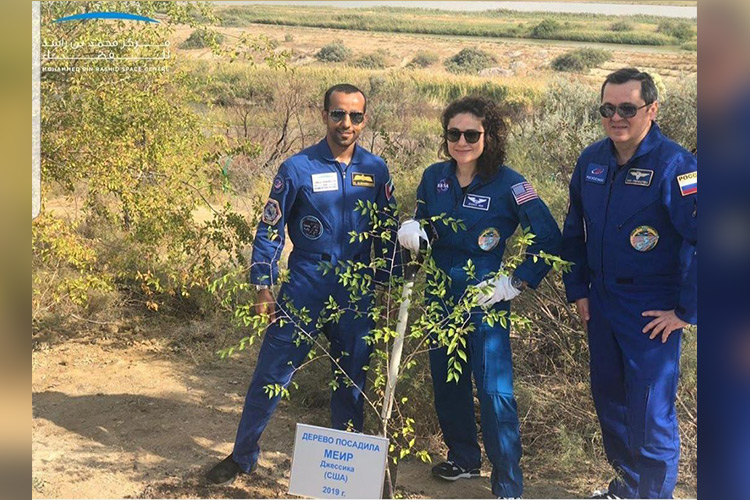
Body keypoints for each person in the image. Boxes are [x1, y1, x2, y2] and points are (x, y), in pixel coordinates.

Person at [207, 83, 398, 485]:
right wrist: (263, 284)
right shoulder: (297, 168)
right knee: (272, 373)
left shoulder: (376, 170)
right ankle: (242, 456)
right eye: (338, 114)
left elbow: (386, 231)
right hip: (306, 285)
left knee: (351, 382)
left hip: (356, 289)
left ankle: (347, 477)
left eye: (355, 116)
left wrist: (387, 284)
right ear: (324, 114)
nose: (346, 123)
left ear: (364, 120)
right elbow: (271, 228)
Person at [398, 96, 562, 499]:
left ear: (489, 136)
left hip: (485, 296)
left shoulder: (511, 184)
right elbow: (427, 226)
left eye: (472, 134)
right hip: (439, 295)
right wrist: (414, 229)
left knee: (493, 389)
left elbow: (548, 237)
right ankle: (464, 459)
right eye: (454, 133)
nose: (462, 141)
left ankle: (507, 482)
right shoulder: (434, 177)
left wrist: (515, 281)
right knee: (447, 380)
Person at [561, 68, 697, 499]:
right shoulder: (592, 160)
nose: (616, 117)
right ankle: (627, 487)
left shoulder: (676, 164)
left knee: (650, 411)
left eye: (627, 108)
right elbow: (572, 228)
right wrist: (578, 288)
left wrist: (686, 312)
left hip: (650, 307)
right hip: (602, 300)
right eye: (607, 108)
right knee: (611, 402)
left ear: (652, 110)